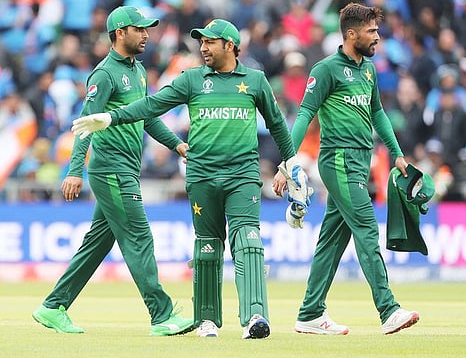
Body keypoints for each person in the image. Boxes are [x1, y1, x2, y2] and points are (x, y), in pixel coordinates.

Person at [71, 18, 310, 339]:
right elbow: (150, 106)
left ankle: (255, 316)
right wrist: (111, 117)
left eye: (210, 42)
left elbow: (278, 125)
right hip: (201, 176)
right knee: (208, 247)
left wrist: (289, 162)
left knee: (248, 240)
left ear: (230, 45)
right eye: (201, 42)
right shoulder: (192, 80)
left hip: (243, 176)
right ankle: (207, 320)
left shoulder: (255, 81)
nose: (203, 47)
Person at [32, 6, 194, 336]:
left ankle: (52, 307)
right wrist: (75, 170)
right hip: (112, 170)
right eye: (139, 29)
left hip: (125, 168)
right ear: (120, 33)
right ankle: (162, 315)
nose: (146, 34)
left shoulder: (137, 71)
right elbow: (84, 125)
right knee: (139, 237)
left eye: (147, 29)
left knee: (97, 243)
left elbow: (146, 116)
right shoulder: (104, 74)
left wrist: (177, 145)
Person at [272, 2, 420, 335]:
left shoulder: (368, 70)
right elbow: (305, 115)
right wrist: (286, 162)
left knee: (332, 239)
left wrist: (396, 153)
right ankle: (389, 309)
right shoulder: (325, 70)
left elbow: (378, 113)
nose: (377, 37)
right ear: (350, 34)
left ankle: (310, 314)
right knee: (366, 227)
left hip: (360, 161)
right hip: (337, 159)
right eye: (371, 31)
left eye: (378, 31)